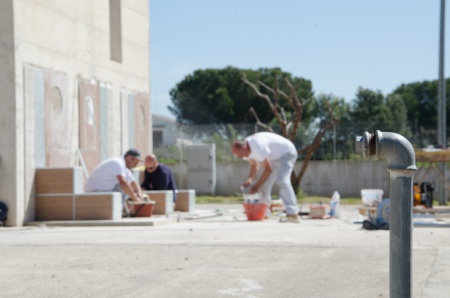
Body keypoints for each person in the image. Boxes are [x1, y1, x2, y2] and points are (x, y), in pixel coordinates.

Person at [232, 132, 300, 222]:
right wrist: (250, 179)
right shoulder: (247, 149)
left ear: (244, 148)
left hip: (287, 153)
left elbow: (268, 169)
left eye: (241, 155)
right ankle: (263, 212)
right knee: (265, 183)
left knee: (282, 180)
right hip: (275, 158)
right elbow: (254, 165)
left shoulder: (257, 146)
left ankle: (293, 214)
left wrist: (256, 187)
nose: (241, 158)